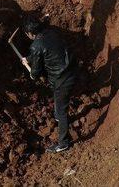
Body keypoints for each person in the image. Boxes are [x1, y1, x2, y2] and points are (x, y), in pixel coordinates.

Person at [21, 15, 78, 153]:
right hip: (72, 69)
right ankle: (62, 121)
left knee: (60, 112)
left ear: (30, 33)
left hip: (62, 80)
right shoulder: (52, 33)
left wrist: (32, 74)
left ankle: (63, 142)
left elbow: (36, 72)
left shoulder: (36, 46)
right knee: (61, 106)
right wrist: (28, 59)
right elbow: (47, 52)